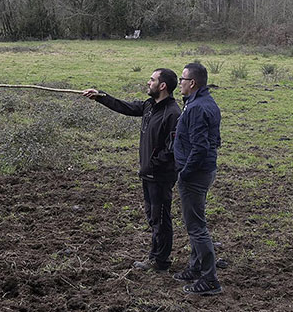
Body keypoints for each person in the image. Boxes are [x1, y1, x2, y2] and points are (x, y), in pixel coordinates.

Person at [82, 68, 181, 272]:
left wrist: (154, 163)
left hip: (160, 176)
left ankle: (161, 261)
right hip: (148, 173)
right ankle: (155, 256)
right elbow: (126, 107)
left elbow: (173, 150)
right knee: (153, 217)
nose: (148, 82)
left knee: (161, 218)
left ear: (162, 86)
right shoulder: (149, 106)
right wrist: (100, 96)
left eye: (152, 80)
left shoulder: (172, 114)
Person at [172, 62, 223, 295]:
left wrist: (185, 173)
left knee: (196, 227)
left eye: (183, 80)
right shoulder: (207, 103)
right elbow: (215, 140)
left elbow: (200, 147)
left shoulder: (196, 108)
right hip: (204, 170)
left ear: (192, 83)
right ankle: (195, 267)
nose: (179, 84)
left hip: (195, 174)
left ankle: (210, 279)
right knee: (195, 222)